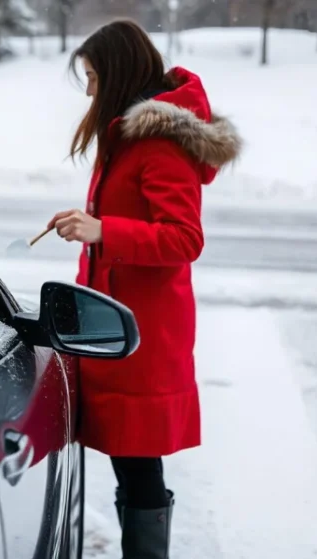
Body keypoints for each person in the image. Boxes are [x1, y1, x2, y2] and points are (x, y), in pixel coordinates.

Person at [47, 20, 242, 558]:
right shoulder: (127, 136)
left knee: (137, 461)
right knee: (129, 462)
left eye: (91, 76)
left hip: (143, 333)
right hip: (117, 321)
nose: (88, 90)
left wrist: (106, 230)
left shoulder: (157, 143)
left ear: (116, 72)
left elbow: (184, 238)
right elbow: (136, 216)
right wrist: (91, 221)